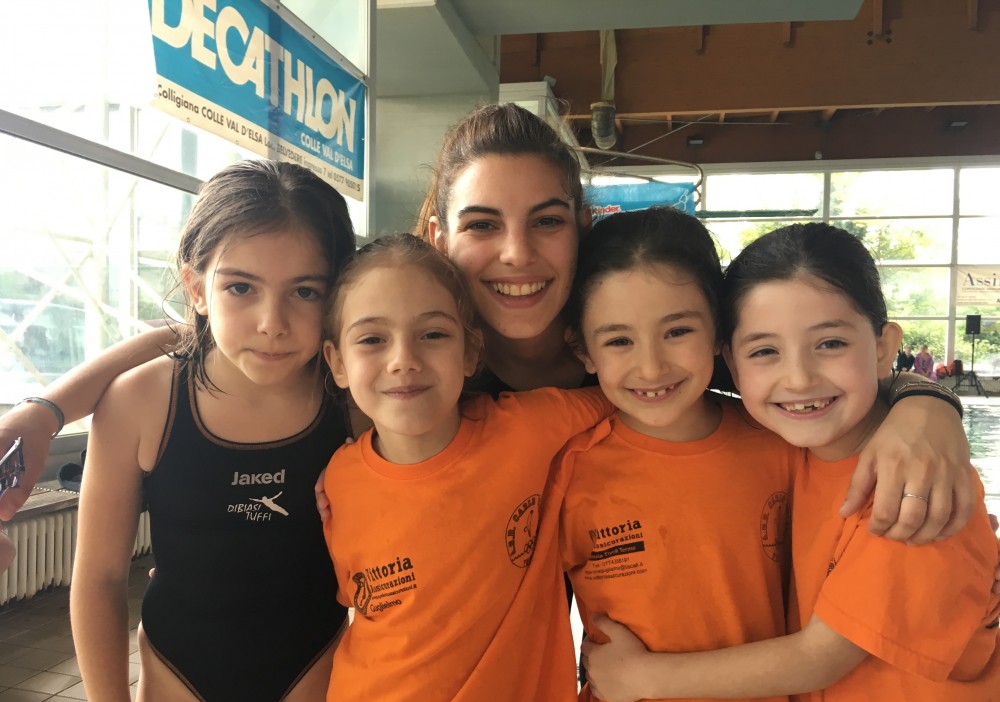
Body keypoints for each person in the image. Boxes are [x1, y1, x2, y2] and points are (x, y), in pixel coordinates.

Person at [0, 108, 982, 540]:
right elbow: (211, 338)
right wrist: (47, 411)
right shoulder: (407, 343)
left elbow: (779, 364)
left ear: (580, 227)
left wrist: (920, 405)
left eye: (545, 222)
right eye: (481, 226)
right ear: (437, 235)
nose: (516, 255)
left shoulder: (626, 348)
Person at [580, 223, 1000, 702]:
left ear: (883, 347)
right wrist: (928, 400)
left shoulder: (916, 483)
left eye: (830, 343)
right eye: (764, 351)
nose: (799, 378)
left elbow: (821, 657)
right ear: (732, 363)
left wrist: (640, 677)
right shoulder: (795, 452)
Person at [70, 160, 355, 702]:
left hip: (312, 665)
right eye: (240, 287)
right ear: (198, 288)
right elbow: (98, 578)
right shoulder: (141, 402)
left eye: (306, 291)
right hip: (181, 674)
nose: (272, 324)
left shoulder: (353, 403)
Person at [318, 234, 612, 702]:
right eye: (372, 340)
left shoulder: (531, 430)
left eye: (432, 334)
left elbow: (632, 391)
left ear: (471, 350)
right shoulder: (337, 481)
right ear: (337, 362)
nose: (403, 359)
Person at [551, 207, 799, 702]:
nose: (652, 367)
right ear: (582, 350)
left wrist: (926, 402)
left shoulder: (784, 448)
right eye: (619, 341)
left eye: (678, 331)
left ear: (719, 331)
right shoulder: (566, 471)